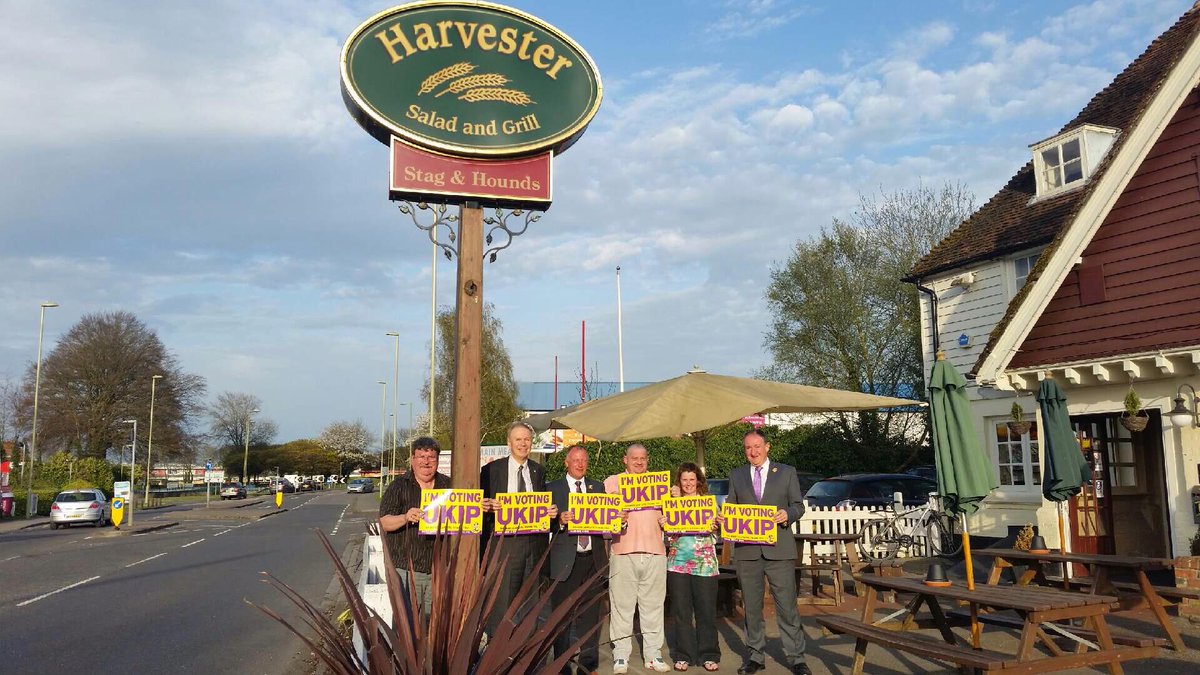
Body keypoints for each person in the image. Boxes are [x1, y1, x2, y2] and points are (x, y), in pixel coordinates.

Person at [728, 428, 810, 675]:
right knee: (752, 608)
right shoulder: (736, 475)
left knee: (787, 607)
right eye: (748, 448)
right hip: (747, 552)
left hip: (779, 551)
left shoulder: (786, 472)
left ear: (767, 447)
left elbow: (798, 506)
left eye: (757, 446)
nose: (753, 452)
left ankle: (797, 658)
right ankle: (755, 656)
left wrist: (788, 514)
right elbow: (732, 507)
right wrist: (725, 518)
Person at [480, 420, 557, 635]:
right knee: (502, 603)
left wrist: (551, 513)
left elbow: (542, 506)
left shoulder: (538, 471)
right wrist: (485, 506)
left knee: (530, 605)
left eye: (527, 440)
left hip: (533, 546)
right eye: (518, 440)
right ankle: (497, 647)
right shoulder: (491, 470)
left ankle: (525, 647)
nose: (523, 444)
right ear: (509, 443)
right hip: (504, 546)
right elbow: (476, 506)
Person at [604, 444, 670, 674]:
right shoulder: (612, 482)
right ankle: (621, 655)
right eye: (635, 458)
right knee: (621, 608)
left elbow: (673, 516)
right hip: (623, 552)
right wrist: (616, 512)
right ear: (625, 460)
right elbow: (603, 518)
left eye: (643, 458)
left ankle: (653, 654)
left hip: (655, 552)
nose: (639, 462)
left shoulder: (659, 484)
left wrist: (675, 503)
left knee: (653, 607)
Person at [547, 445, 608, 675]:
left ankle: (588, 666)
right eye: (576, 460)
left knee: (590, 618)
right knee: (561, 619)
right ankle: (561, 666)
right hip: (564, 562)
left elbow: (607, 519)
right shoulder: (552, 488)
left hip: (593, 560)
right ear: (567, 463)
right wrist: (559, 521)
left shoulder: (597, 487)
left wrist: (619, 519)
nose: (580, 464)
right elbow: (542, 522)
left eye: (584, 460)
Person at [377, 436, 450, 620]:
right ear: (412, 459)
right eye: (421, 457)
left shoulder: (449, 486)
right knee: (408, 623)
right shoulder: (398, 486)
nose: (426, 462)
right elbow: (385, 522)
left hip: (440, 570)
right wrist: (405, 517)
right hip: (407, 570)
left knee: (436, 622)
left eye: (431, 457)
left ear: (437, 460)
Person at [660, 463, 721, 672]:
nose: (688, 484)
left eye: (692, 479)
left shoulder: (709, 503)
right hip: (677, 564)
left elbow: (718, 530)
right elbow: (668, 535)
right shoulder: (671, 504)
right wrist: (664, 524)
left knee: (706, 611)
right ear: (679, 481)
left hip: (705, 565)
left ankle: (709, 654)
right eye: (684, 480)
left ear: (698, 481)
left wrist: (716, 525)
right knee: (681, 612)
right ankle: (683, 655)